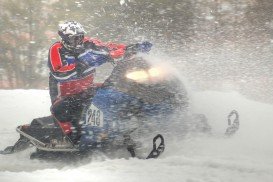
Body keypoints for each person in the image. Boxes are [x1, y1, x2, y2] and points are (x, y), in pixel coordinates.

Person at [48, 20, 152, 144]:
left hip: (86, 89)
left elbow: (108, 47)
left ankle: (124, 125)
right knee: (68, 114)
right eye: (74, 39)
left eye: (80, 37)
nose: (79, 41)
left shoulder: (88, 44)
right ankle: (74, 139)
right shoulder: (57, 50)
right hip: (65, 96)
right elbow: (59, 73)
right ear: (64, 38)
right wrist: (78, 67)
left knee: (113, 94)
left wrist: (130, 48)